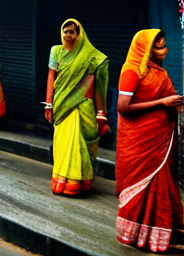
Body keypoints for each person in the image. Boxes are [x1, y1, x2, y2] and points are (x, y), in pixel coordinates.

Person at [116, 30, 183, 252]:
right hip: (139, 142)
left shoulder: (159, 73)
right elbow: (123, 107)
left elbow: (170, 99)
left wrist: (174, 104)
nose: (165, 50)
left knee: (164, 187)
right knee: (142, 189)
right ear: (146, 49)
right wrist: (163, 102)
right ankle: (137, 236)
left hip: (159, 140)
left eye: (164, 45)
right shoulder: (133, 71)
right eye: (159, 47)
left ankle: (162, 235)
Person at [44, 19, 108, 196]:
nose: (68, 34)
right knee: (63, 143)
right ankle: (63, 181)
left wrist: (101, 112)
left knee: (79, 144)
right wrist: (48, 104)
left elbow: (95, 82)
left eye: (72, 31)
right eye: (65, 30)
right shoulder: (56, 51)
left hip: (82, 106)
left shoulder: (90, 55)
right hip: (62, 104)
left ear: (79, 34)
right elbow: (51, 77)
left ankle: (79, 183)